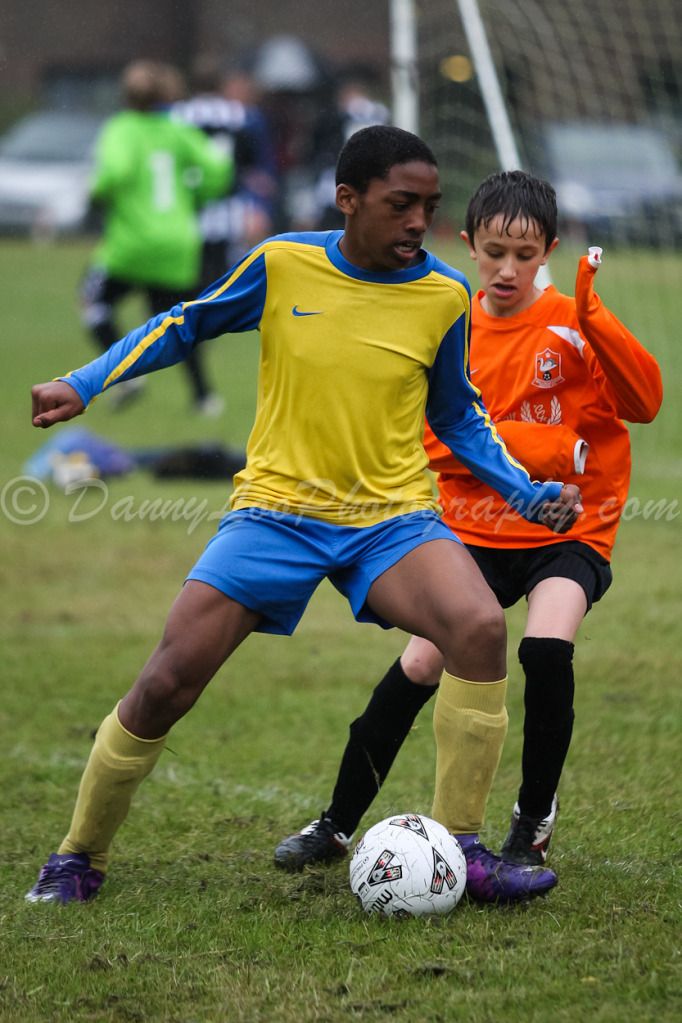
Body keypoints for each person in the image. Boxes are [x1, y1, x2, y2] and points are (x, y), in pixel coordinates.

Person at [26, 130, 581, 906]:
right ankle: (78, 855)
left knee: (480, 627)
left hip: (390, 519)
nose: (418, 221)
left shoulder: (444, 295)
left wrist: (522, 492)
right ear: (347, 201)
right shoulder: (283, 262)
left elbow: (458, 415)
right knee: (165, 682)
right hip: (274, 516)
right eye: (400, 205)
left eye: (428, 205)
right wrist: (85, 382)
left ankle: (461, 848)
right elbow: (185, 322)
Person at [273, 169, 662, 881]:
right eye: (493, 253)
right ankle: (334, 823)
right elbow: (433, 440)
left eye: (524, 254)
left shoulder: (575, 322)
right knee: (420, 662)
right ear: (469, 245)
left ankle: (531, 821)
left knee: (546, 650)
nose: (507, 269)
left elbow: (645, 402)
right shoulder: (454, 321)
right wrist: (553, 450)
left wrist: (595, 316)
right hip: (476, 531)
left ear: (548, 247)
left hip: (569, 533)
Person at [80, 59, 233, 416]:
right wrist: (198, 195)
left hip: (131, 245)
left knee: (93, 301)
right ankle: (205, 397)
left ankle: (124, 376)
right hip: (177, 243)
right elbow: (218, 168)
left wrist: (96, 194)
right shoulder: (177, 130)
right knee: (177, 323)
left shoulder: (121, 128)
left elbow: (112, 174)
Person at [172, 55, 278, 292]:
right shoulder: (244, 116)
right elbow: (260, 170)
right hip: (231, 206)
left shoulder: (174, 116)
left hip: (187, 207)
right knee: (229, 281)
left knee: (189, 285)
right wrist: (259, 206)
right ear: (221, 84)